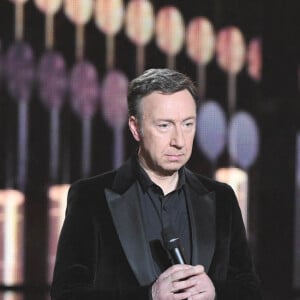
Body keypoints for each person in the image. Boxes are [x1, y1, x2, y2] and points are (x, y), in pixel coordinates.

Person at [51, 68, 262, 300]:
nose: (179, 141)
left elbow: (249, 289)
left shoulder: (221, 198)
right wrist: (149, 296)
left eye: (188, 124)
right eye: (164, 125)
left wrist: (215, 293)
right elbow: (66, 294)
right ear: (135, 128)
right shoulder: (91, 197)